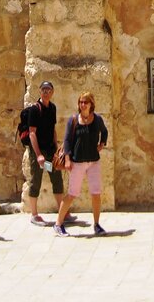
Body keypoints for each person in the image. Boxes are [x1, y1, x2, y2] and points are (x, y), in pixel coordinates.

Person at [54, 91, 108, 237]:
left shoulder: (97, 120)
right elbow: (66, 141)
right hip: (77, 162)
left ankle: (96, 224)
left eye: (86, 102)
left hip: (93, 162)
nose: (83, 105)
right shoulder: (73, 120)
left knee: (96, 194)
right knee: (72, 194)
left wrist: (102, 144)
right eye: (81, 102)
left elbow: (104, 132)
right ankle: (58, 223)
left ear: (91, 104)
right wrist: (67, 159)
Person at [26, 80, 73, 225]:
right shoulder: (34, 109)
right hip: (38, 153)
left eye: (48, 90)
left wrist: (57, 148)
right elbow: (32, 133)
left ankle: (62, 211)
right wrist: (38, 155)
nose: (46, 92)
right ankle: (34, 214)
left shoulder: (52, 108)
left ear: (52, 92)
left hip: (50, 152)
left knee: (56, 178)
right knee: (36, 180)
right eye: (43, 90)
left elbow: (52, 129)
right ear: (40, 92)